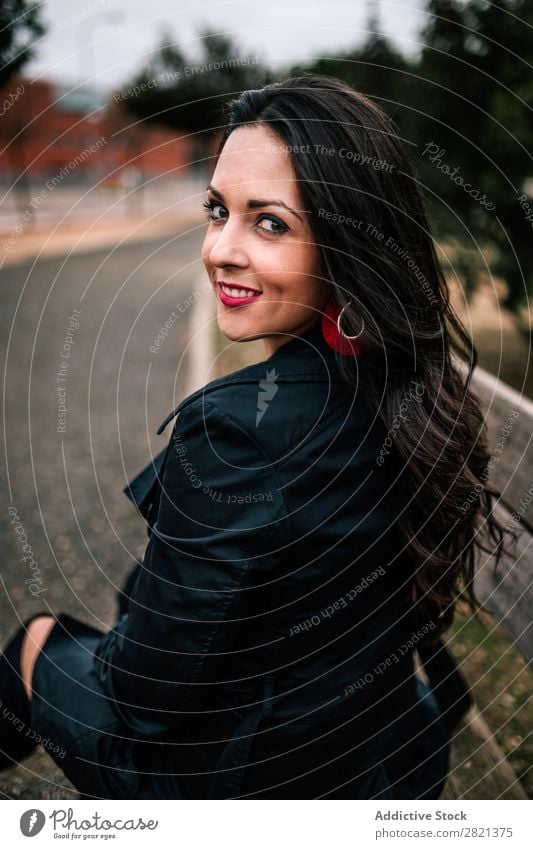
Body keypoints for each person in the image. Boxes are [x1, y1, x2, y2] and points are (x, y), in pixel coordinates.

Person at [0, 75, 511, 799]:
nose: (219, 250)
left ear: (345, 237)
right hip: (369, 754)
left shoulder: (238, 433)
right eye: (218, 210)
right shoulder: (406, 385)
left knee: (36, 641)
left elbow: (143, 698)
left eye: (267, 222)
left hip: (252, 788)